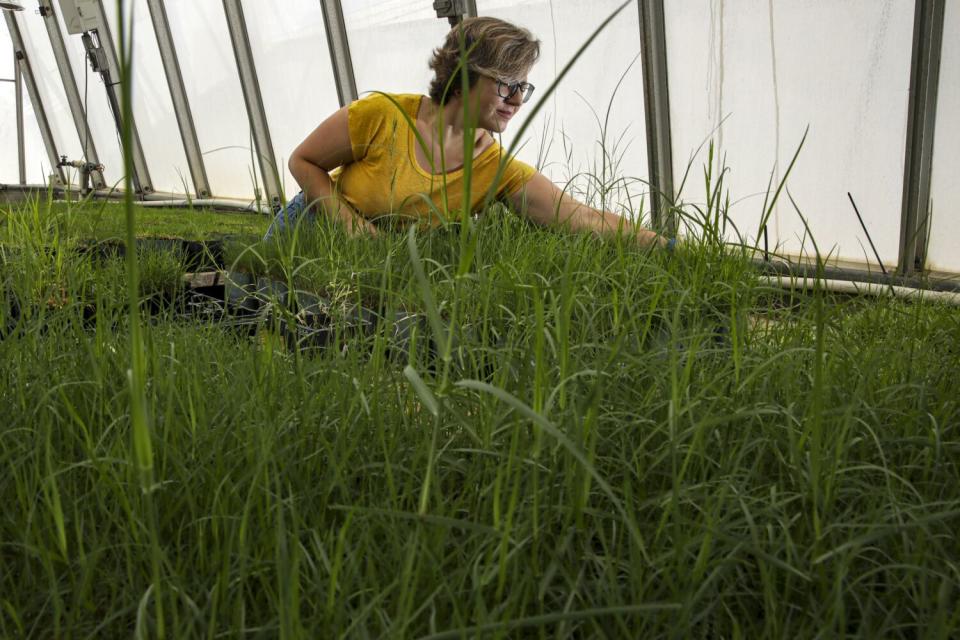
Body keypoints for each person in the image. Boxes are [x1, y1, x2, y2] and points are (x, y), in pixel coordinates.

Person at [265, 16, 669, 249]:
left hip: (379, 260)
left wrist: (666, 246)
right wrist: (350, 225)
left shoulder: (496, 169)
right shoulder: (381, 115)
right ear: (461, 80)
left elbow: (581, 216)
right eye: (505, 83)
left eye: (523, 86)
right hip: (310, 229)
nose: (516, 100)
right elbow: (302, 161)